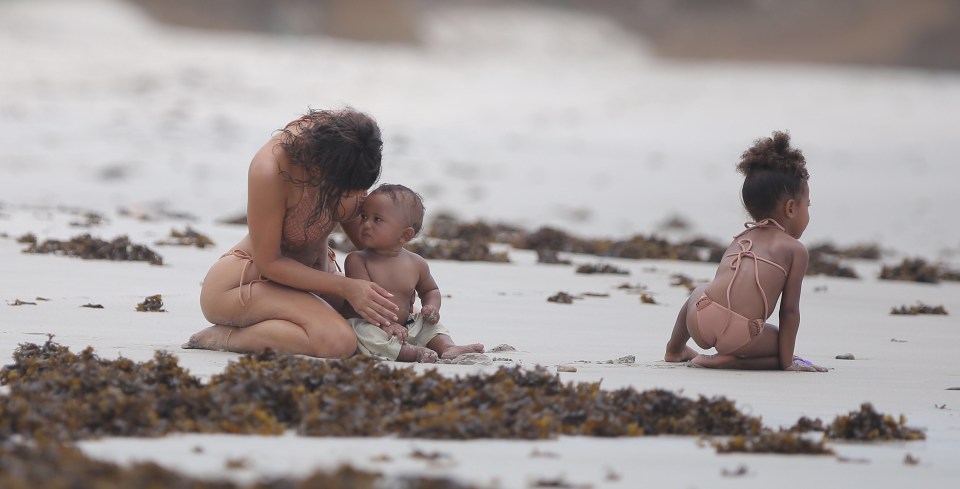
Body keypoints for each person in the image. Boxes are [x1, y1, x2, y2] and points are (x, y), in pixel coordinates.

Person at [183, 108, 400, 358]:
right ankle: (226, 337)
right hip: (245, 283)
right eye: (347, 190)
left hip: (314, 280)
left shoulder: (353, 146)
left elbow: (366, 241)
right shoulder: (271, 169)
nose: (356, 197)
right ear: (321, 168)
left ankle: (282, 325)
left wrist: (395, 288)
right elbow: (268, 262)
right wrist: (346, 286)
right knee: (338, 342)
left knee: (380, 319)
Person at [663, 131, 826, 372]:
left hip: (698, 318)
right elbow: (789, 311)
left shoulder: (740, 238)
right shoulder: (794, 250)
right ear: (791, 208)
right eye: (808, 205)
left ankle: (674, 349)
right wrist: (787, 362)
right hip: (738, 335)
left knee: (700, 290)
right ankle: (728, 359)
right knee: (782, 349)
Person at [342, 184, 484, 363]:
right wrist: (387, 324)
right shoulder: (357, 260)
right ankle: (410, 353)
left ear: (405, 235)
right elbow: (365, 302)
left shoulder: (416, 263)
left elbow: (430, 290)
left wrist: (432, 307)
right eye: (363, 216)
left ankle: (447, 347)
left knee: (429, 325)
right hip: (370, 322)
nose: (365, 224)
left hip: (406, 324)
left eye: (377, 219)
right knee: (364, 333)